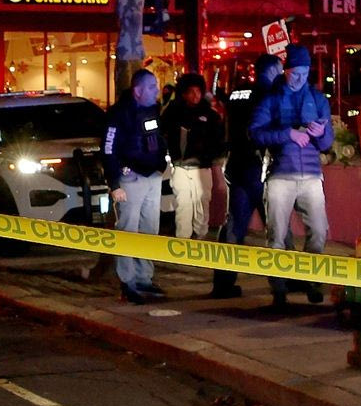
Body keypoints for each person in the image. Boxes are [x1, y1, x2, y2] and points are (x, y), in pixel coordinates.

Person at [249, 44, 334, 311]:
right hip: (280, 174)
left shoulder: (317, 99)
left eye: (304, 73)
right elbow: (255, 133)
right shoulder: (271, 99)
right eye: (294, 73)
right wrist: (288, 134)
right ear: (285, 71)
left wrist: (321, 134)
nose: (299, 78)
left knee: (318, 230)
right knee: (276, 235)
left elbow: (327, 142)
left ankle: (312, 281)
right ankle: (279, 289)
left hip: (311, 174)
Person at [211, 53, 282, 298]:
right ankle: (283, 282)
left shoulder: (238, 93)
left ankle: (223, 282)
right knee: (276, 226)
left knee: (234, 226)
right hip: (260, 164)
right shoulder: (271, 95)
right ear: (272, 71)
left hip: (236, 163)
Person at [103, 69, 169, 304]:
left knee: (150, 229)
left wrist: (160, 164)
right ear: (138, 90)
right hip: (130, 179)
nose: (157, 90)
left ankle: (144, 278)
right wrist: (114, 183)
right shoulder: (119, 114)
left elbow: (157, 138)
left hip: (151, 176)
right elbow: (109, 149)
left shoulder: (152, 110)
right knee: (128, 230)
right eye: (152, 86)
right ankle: (128, 282)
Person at [160, 73, 224, 240]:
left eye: (198, 91)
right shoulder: (173, 112)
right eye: (191, 92)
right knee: (183, 205)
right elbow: (162, 133)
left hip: (202, 168)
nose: (195, 95)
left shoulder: (210, 115)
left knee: (202, 204)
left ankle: (200, 238)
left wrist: (213, 157)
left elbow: (218, 141)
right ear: (184, 93)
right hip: (180, 167)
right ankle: (183, 240)